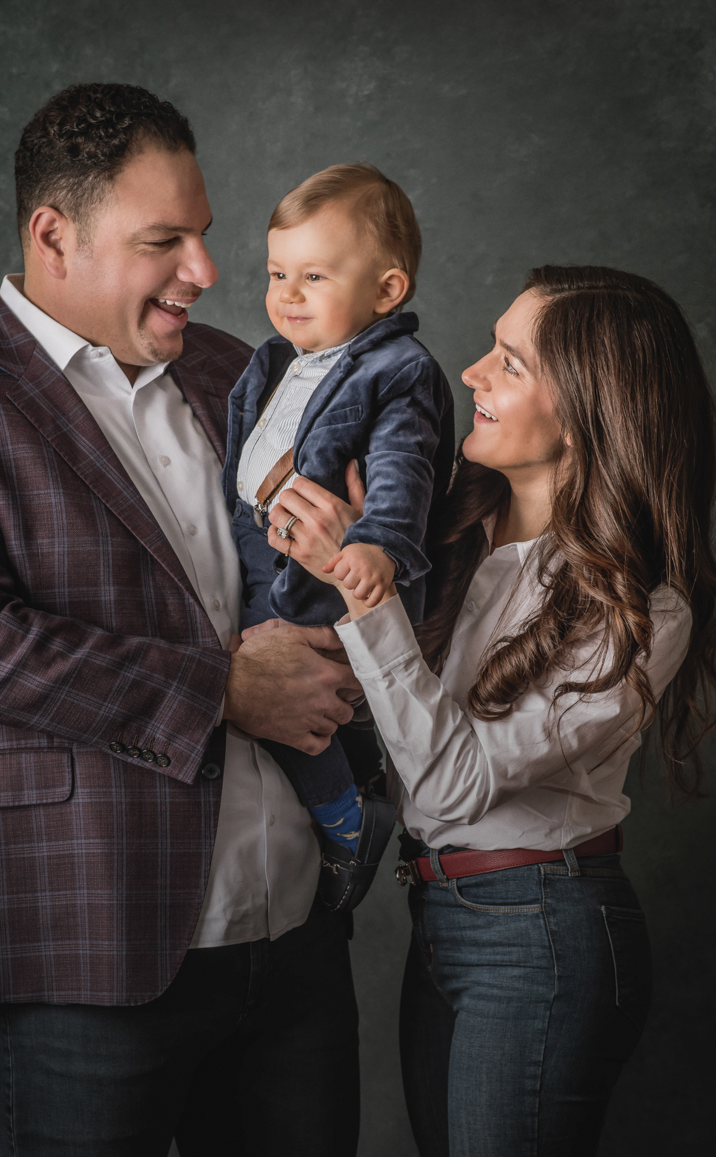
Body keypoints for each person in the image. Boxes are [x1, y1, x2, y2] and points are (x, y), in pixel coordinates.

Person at [0, 83, 364, 1157]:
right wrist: (221, 688)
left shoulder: (241, 375)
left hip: (295, 945)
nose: (206, 272)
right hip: (89, 951)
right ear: (52, 235)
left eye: (205, 233)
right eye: (163, 241)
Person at [261, 265, 716, 1157]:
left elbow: (448, 786)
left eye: (507, 362)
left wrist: (363, 593)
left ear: (588, 416)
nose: (470, 373)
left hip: (541, 937)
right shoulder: (450, 533)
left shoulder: (641, 611)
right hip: (437, 914)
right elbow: (394, 717)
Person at [224, 163, 454, 910]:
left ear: (386, 291)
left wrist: (377, 543)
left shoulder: (397, 369)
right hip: (255, 550)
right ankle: (348, 795)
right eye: (276, 272)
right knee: (271, 697)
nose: (285, 295)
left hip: (325, 566)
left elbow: (402, 463)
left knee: (300, 706)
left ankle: (346, 821)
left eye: (313, 276)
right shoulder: (277, 363)